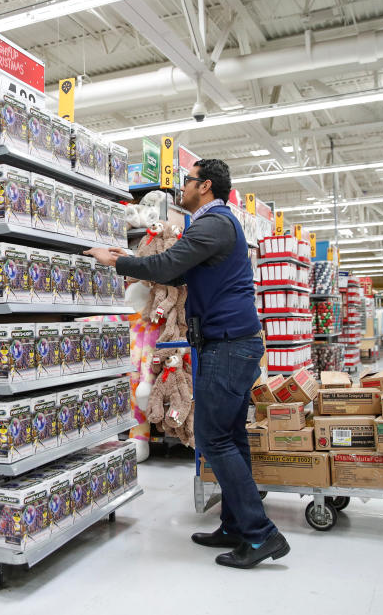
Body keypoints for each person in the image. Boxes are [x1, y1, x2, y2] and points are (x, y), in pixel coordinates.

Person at [84, 159, 289, 569]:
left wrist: (117, 262)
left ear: (206, 186)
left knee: (214, 438)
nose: (183, 187)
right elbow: (179, 277)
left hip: (228, 346)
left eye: (189, 181)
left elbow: (167, 266)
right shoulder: (216, 225)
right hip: (233, 343)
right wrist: (134, 257)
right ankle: (234, 524)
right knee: (230, 436)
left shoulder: (212, 224)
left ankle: (261, 534)